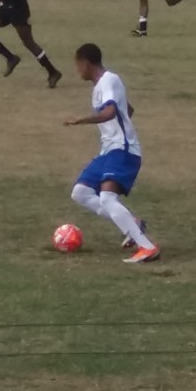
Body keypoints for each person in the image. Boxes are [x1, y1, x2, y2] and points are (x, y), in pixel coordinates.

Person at [64, 43, 159, 264]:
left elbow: (109, 112)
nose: (77, 70)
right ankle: (132, 224)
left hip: (122, 149)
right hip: (109, 150)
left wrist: (80, 120)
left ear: (85, 63)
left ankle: (147, 247)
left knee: (107, 198)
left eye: (78, 65)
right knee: (81, 193)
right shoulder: (101, 86)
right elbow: (127, 109)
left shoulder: (109, 80)